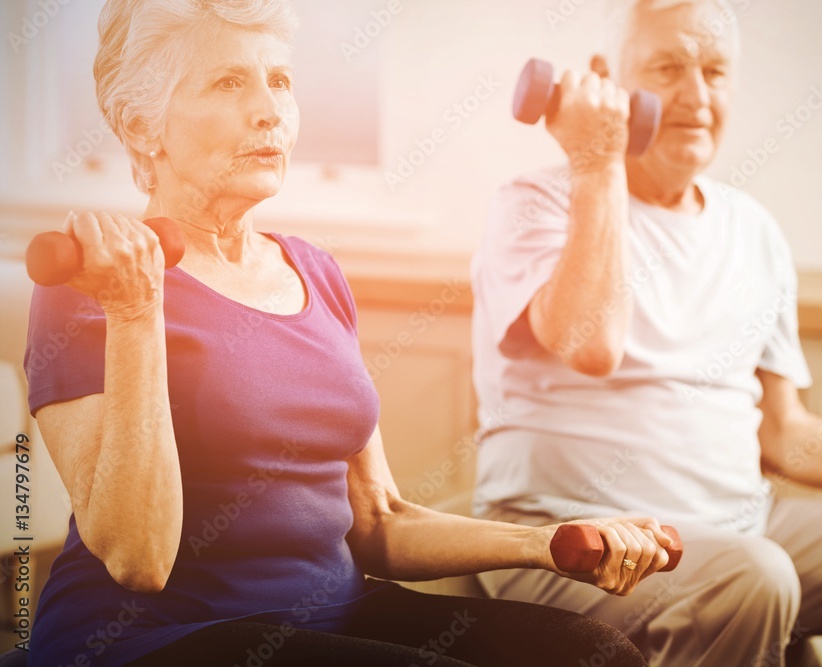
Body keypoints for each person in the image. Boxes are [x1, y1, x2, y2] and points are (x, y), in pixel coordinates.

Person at [22, 1, 669, 665]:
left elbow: (380, 520)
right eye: (227, 82)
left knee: (596, 653)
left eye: (280, 80)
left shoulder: (316, 271)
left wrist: (549, 540)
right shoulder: (92, 285)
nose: (270, 110)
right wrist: (137, 309)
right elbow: (138, 559)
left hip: (333, 616)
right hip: (151, 640)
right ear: (139, 122)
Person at [470, 0, 822, 665]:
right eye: (666, 67)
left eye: (715, 71)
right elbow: (593, 342)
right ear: (606, 76)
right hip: (568, 535)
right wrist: (597, 159)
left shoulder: (754, 230)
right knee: (754, 574)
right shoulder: (535, 200)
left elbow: (784, 431)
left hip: (743, 531)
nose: (695, 95)